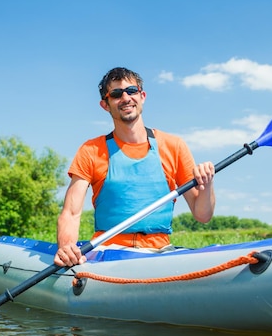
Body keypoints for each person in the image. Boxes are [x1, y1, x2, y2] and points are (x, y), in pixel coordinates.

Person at [54, 67, 216, 267]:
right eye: (115, 94)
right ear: (105, 105)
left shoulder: (175, 146)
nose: (125, 97)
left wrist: (207, 184)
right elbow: (71, 212)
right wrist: (67, 246)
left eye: (131, 90)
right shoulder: (91, 150)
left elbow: (203, 215)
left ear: (142, 96)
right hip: (108, 251)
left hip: (160, 251)